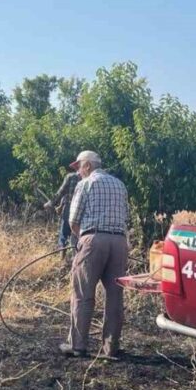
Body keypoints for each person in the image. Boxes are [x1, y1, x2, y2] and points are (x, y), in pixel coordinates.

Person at [60, 150, 130, 360]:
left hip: (93, 240)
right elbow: (126, 216)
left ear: (88, 166)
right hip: (119, 242)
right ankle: (111, 348)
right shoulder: (120, 185)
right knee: (115, 296)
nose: (78, 172)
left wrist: (82, 239)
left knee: (82, 294)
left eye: (79, 167)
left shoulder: (86, 184)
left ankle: (78, 346)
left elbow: (73, 221)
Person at [43, 169, 80, 249]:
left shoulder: (71, 176)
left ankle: (62, 254)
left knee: (64, 232)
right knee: (77, 233)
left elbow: (61, 192)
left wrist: (51, 203)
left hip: (69, 207)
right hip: (82, 209)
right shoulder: (89, 178)